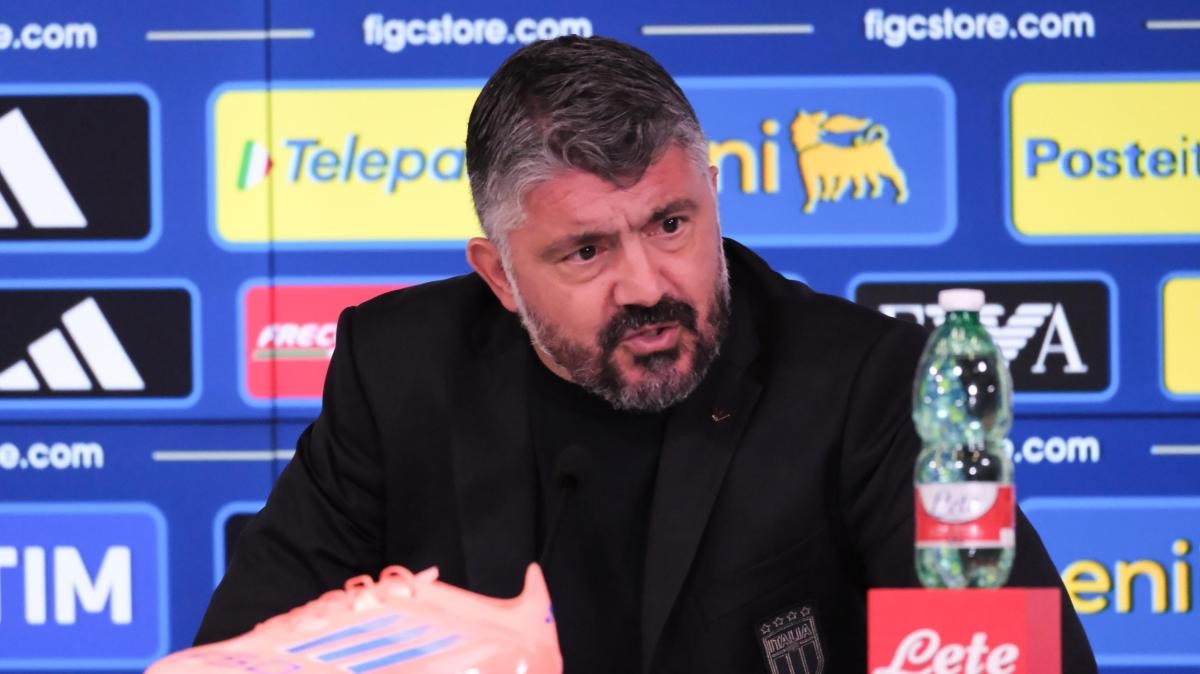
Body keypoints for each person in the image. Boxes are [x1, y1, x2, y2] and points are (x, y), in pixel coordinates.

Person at [197, 36, 1096, 673]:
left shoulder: (870, 383)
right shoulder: (399, 371)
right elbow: (237, 654)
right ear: (499, 274)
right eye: (587, 251)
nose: (646, 285)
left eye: (670, 225)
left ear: (713, 195)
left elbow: (1015, 656)